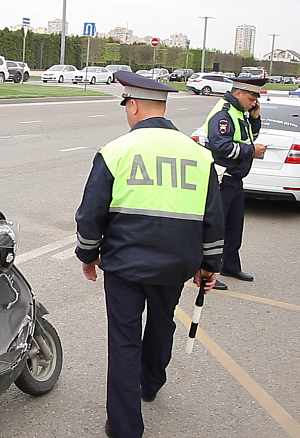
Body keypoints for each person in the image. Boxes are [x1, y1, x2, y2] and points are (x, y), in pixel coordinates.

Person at [74, 72, 224, 438]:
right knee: (162, 323)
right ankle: (152, 381)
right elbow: (214, 219)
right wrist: (209, 265)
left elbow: (91, 213)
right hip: (176, 264)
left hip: (125, 264)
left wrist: (88, 255)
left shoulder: (115, 151)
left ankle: (125, 428)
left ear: (135, 105)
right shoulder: (198, 155)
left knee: (124, 341)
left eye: (126, 105)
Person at [202, 77, 267, 290]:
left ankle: (230, 265)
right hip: (222, 176)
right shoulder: (224, 113)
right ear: (238, 92)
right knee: (216, 227)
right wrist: (251, 151)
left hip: (235, 178)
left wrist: (255, 119)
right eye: (251, 97)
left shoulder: (239, 112)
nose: (253, 102)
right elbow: (221, 147)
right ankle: (207, 271)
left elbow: (246, 138)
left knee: (234, 225)